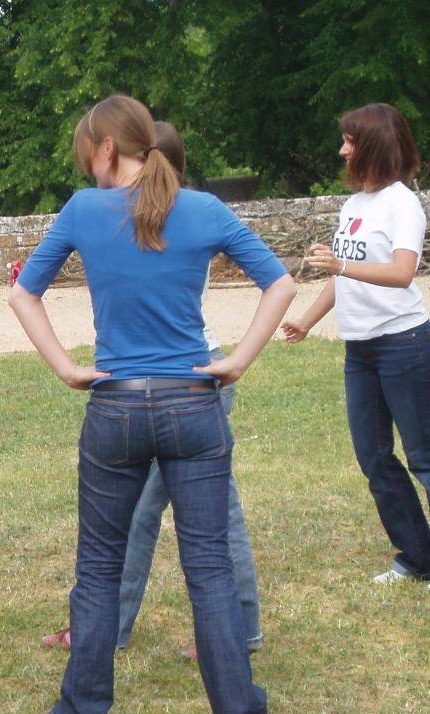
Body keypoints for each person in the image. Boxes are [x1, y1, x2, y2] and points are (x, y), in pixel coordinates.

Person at [9, 94, 295, 714]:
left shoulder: (84, 210)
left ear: (107, 148)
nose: (86, 163)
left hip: (114, 406)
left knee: (99, 566)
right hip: (193, 403)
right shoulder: (203, 209)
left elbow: (23, 292)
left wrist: (66, 367)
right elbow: (280, 283)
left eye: (88, 150)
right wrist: (239, 359)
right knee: (210, 567)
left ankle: (83, 711)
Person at [40, 121, 263, 656]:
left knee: (162, 519)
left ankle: (115, 630)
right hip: (193, 380)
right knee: (208, 519)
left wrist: (236, 361)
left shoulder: (163, 211)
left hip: (180, 381)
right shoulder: (187, 211)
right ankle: (237, 628)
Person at [282, 102, 430, 592]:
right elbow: (341, 275)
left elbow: (402, 271)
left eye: (349, 140)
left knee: (424, 454)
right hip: (361, 350)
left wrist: (340, 268)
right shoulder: (355, 206)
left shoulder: (401, 202)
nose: (342, 149)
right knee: (373, 456)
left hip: (404, 344)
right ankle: (417, 556)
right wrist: (306, 320)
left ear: (373, 146)